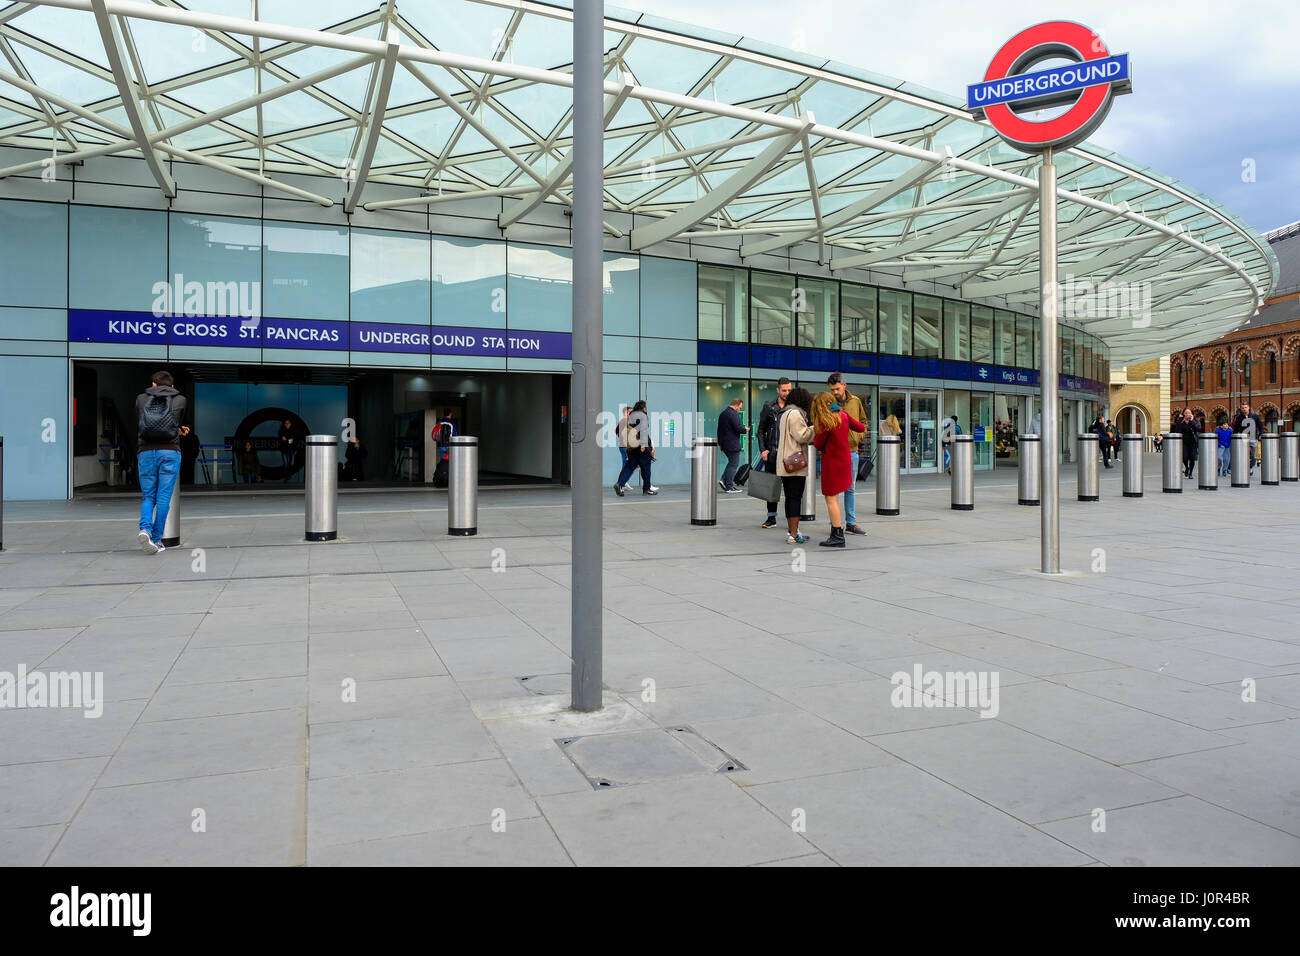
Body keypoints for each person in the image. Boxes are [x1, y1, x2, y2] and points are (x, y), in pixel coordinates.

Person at [134, 370, 189, 554]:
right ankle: (156, 540)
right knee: (163, 497)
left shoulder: (141, 399)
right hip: (170, 452)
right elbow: (172, 425)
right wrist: (180, 431)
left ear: (154, 385)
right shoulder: (180, 399)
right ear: (172, 387)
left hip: (146, 451)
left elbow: (142, 424)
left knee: (148, 496)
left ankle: (145, 529)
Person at [812, 391, 866, 547]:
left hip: (831, 463)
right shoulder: (843, 415)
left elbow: (818, 444)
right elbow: (861, 427)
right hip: (845, 460)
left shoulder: (825, 421)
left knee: (830, 498)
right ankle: (838, 532)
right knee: (841, 494)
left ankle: (837, 534)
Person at [828, 373, 869, 535]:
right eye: (832, 390)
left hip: (852, 451)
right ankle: (835, 523)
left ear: (844, 385)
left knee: (850, 488)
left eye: (837, 389)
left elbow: (863, 423)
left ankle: (851, 523)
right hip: (835, 452)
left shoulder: (856, 401)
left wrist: (858, 436)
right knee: (834, 489)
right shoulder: (828, 403)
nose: (835, 392)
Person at [775, 388, 816, 544]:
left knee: (790, 498)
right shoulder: (796, 414)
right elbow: (802, 435)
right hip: (794, 463)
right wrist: (814, 428)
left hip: (785, 461)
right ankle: (793, 534)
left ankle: (792, 531)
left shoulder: (786, 413)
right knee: (795, 498)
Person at [756, 377, 792, 528]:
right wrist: (763, 449)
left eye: (789, 390)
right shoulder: (769, 406)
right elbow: (761, 430)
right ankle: (771, 518)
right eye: (784, 390)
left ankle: (792, 520)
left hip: (790, 454)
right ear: (778, 390)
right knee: (772, 487)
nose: (787, 393)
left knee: (791, 489)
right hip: (772, 453)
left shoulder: (795, 407)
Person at [614, 400, 657, 495]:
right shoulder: (642, 416)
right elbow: (643, 430)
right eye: (645, 407)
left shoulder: (630, 416)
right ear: (643, 407)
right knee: (646, 468)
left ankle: (620, 483)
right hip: (640, 446)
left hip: (630, 446)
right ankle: (646, 489)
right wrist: (643, 445)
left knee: (629, 467)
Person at [716, 397, 749, 492]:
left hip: (725, 444)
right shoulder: (733, 413)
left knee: (731, 463)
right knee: (733, 464)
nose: (740, 409)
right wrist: (745, 430)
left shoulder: (723, 413)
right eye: (740, 407)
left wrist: (721, 444)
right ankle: (729, 486)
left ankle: (724, 480)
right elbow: (737, 428)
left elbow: (719, 430)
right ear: (736, 405)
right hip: (732, 444)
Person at [1232, 401, 1263, 476]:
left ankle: (1250, 467)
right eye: (1242, 408)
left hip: (1253, 438)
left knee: (1253, 455)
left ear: (1248, 408)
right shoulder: (1239, 418)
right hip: (1242, 438)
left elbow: (1260, 426)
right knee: (1242, 455)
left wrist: (1261, 434)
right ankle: (1243, 468)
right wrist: (1235, 437)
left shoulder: (1254, 416)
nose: (1244, 409)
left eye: (1245, 407)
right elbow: (1236, 429)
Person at [1172, 408, 1199, 478]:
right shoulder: (1180, 421)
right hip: (1183, 441)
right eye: (1186, 413)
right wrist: (1181, 421)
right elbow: (1177, 430)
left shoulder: (1195, 420)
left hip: (1193, 441)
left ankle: (1191, 473)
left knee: (1192, 457)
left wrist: (1192, 420)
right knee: (1184, 457)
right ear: (1183, 414)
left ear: (1192, 414)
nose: (1188, 414)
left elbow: (1198, 428)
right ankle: (1187, 467)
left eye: (1189, 413)